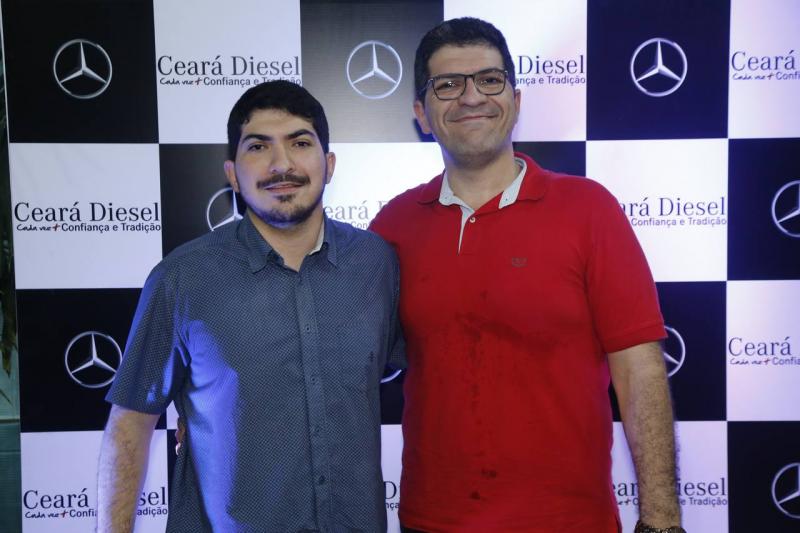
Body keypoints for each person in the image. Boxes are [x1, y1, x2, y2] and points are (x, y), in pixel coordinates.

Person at [369, 17, 683, 533]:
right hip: (432, 521)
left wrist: (663, 521)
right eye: (448, 85)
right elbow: (346, 360)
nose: (471, 97)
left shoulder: (589, 210)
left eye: (489, 80)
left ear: (515, 101)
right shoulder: (392, 226)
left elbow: (640, 372)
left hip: (569, 522)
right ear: (421, 114)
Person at [97, 80, 403, 533]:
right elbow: (130, 423)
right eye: (258, 147)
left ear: (330, 164)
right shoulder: (183, 278)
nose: (281, 164)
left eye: (300, 143)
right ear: (233, 174)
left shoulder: (376, 264)